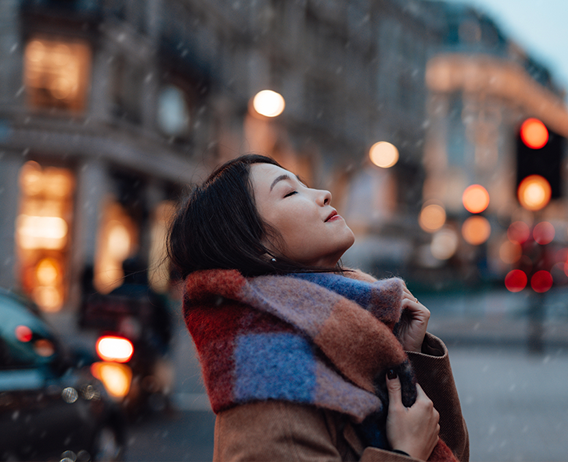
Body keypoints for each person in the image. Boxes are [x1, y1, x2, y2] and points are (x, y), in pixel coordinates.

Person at [167, 154, 469, 462]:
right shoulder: (270, 383)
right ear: (255, 246)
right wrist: (407, 453)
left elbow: (450, 451)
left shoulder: (353, 335)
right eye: (289, 192)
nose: (323, 194)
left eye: (305, 184)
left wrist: (407, 354)